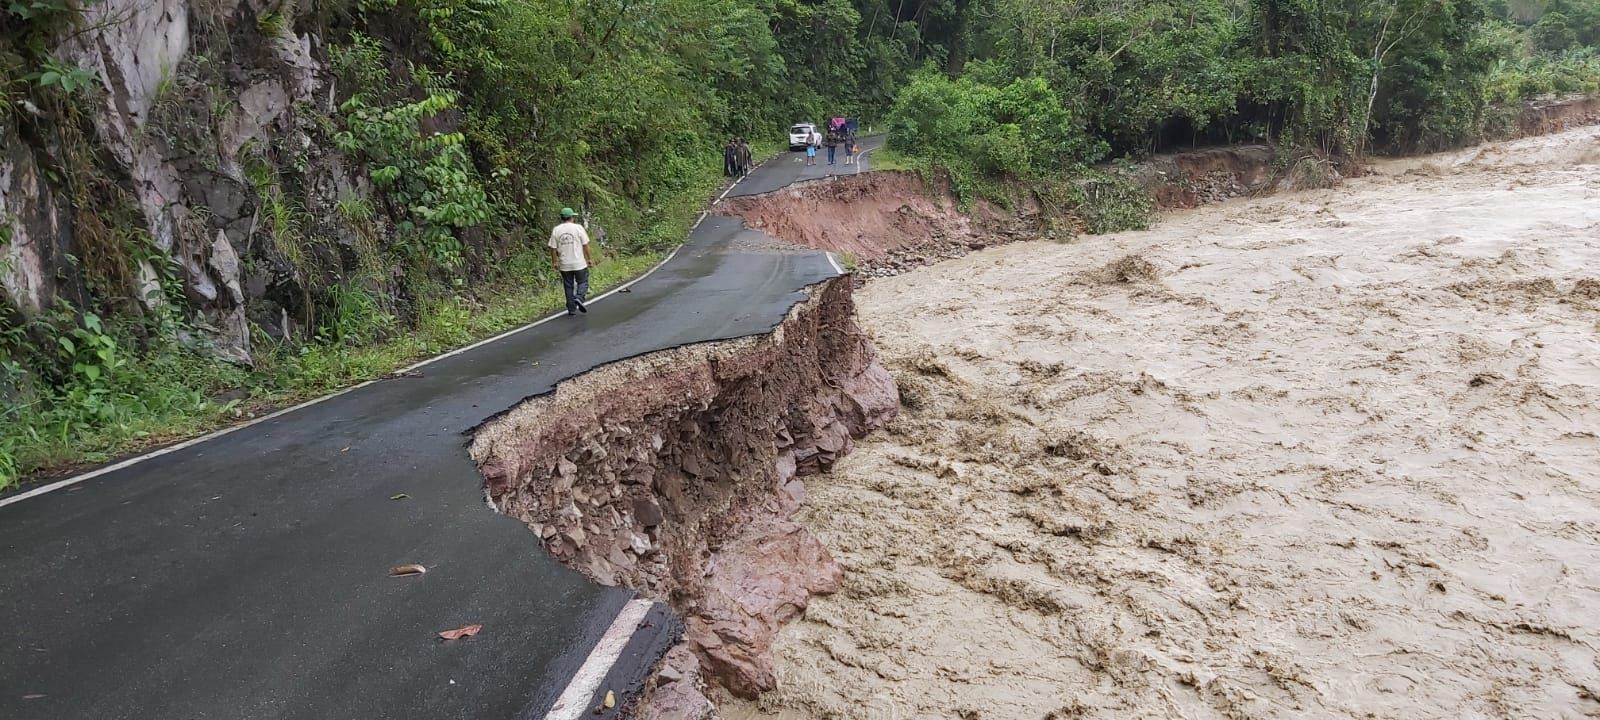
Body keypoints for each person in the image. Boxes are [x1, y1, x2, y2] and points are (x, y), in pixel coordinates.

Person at [548, 207, 595, 315]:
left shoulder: (556, 230)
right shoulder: (578, 228)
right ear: (572, 218)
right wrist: (590, 259)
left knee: (568, 285)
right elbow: (585, 245)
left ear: (562, 218)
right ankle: (579, 297)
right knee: (583, 282)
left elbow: (553, 248)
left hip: (564, 264)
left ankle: (571, 309)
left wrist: (555, 262)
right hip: (579, 263)